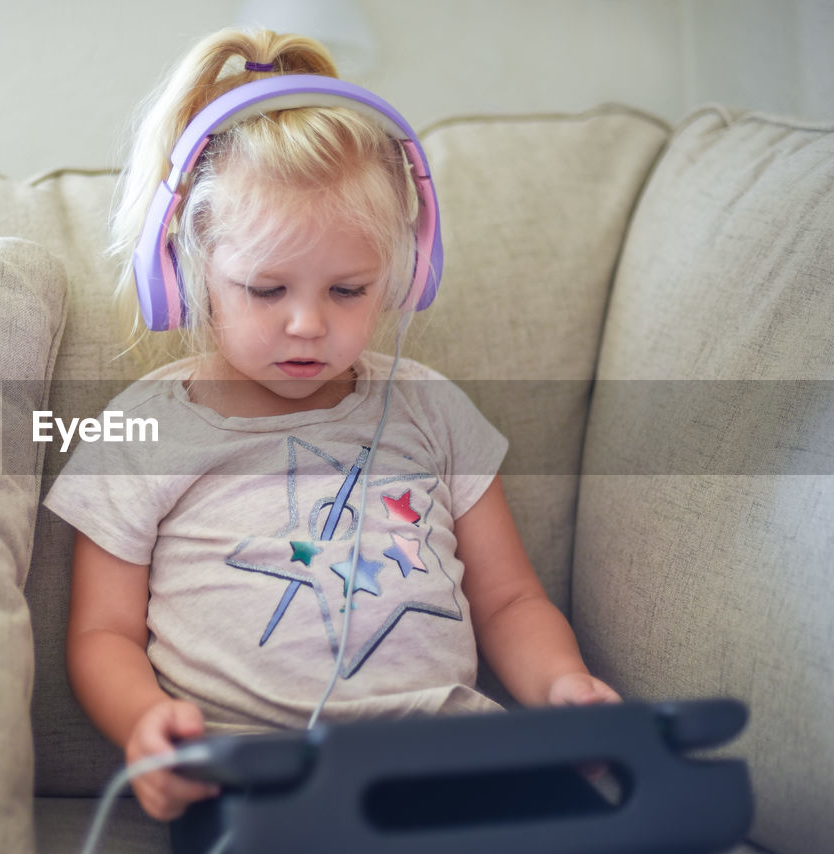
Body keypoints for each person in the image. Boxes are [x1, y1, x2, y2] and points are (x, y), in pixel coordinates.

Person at [43, 26, 620, 848]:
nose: (307, 325)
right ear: (187, 267)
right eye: (266, 288)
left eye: (349, 290)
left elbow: (510, 598)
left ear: (405, 274)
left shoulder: (430, 411)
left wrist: (561, 685)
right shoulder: (147, 428)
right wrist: (147, 724)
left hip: (458, 754)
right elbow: (102, 633)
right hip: (253, 772)